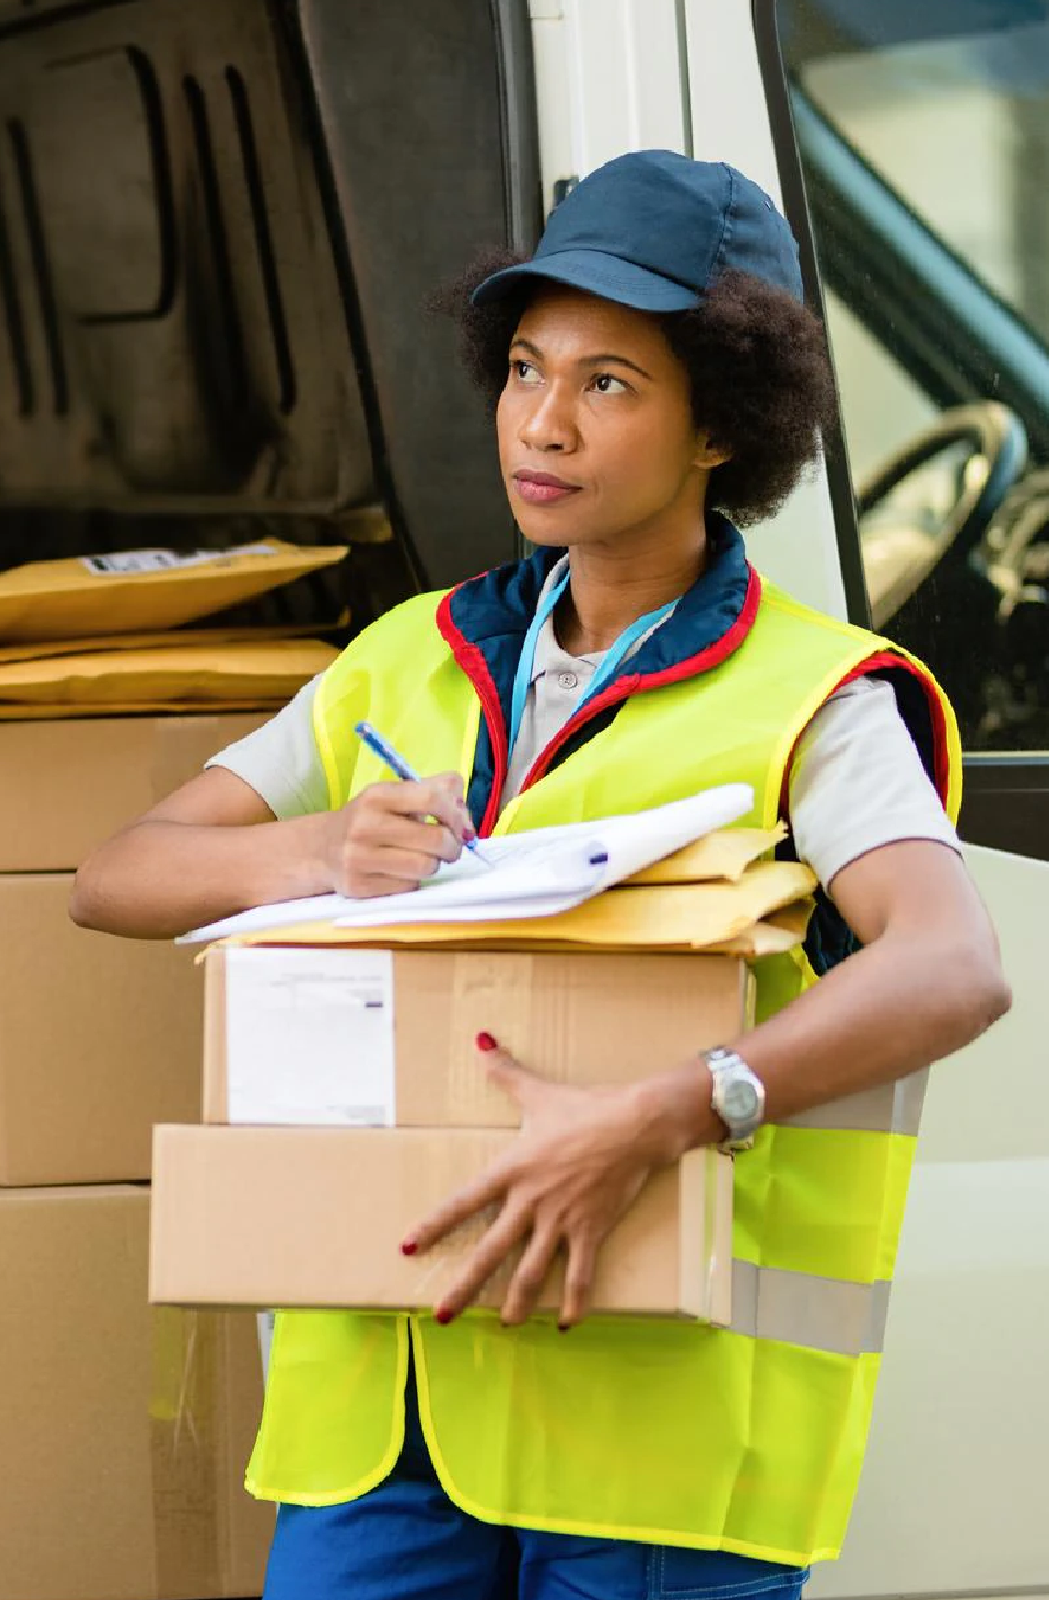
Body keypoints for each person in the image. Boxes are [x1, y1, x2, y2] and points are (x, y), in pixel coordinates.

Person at [70, 150, 1011, 1600]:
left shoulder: (816, 699)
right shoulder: (407, 655)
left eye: (608, 384)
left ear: (723, 424)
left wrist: (666, 1112)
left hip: (653, 1442)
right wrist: (315, 846)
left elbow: (952, 965)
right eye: (525, 368)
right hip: (387, 1415)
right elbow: (118, 877)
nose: (542, 422)